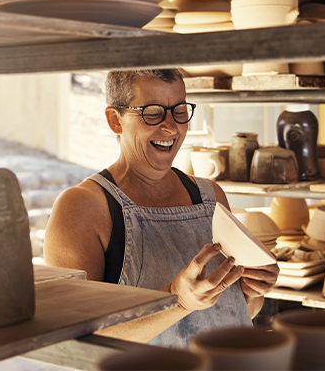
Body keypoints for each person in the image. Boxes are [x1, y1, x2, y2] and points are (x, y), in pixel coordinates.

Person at [44, 69, 279, 348]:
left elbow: (234, 314)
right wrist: (177, 301)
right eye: (153, 112)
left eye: (179, 110)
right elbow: (74, 338)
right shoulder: (82, 208)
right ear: (114, 120)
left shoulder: (210, 195)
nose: (171, 127)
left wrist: (253, 292)